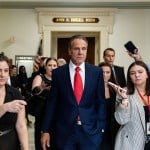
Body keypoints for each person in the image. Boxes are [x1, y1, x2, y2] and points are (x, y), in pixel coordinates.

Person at [41, 35, 106, 150]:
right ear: (70, 51)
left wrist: (101, 128)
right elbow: (52, 103)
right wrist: (45, 130)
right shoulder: (58, 73)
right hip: (64, 132)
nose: (80, 52)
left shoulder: (96, 72)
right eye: (76, 49)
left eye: (84, 48)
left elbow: (100, 101)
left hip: (90, 133)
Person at [113, 61, 150, 150]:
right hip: (132, 141)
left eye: (140, 72)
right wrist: (124, 100)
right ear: (129, 77)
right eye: (132, 73)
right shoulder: (124, 92)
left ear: (147, 75)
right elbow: (121, 120)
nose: (137, 75)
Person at [0, 54, 29, 149]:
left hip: (10, 142)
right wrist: (4, 108)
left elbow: (21, 125)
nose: (2, 74)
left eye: (5, 70)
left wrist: (26, 148)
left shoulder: (15, 94)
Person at [32, 57, 57, 150]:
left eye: (54, 65)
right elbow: (34, 91)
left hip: (56, 115)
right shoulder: (40, 77)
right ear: (45, 67)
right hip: (42, 113)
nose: (52, 68)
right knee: (42, 145)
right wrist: (41, 88)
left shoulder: (60, 79)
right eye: (49, 65)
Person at [99, 62, 120, 150]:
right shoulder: (92, 88)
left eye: (108, 72)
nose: (105, 75)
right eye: (102, 72)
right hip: (97, 126)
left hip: (111, 127)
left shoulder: (115, 89)